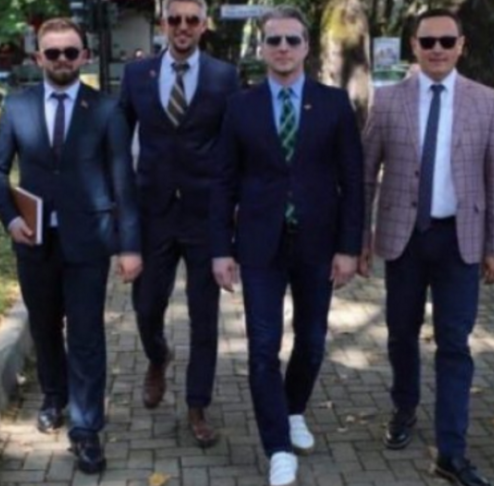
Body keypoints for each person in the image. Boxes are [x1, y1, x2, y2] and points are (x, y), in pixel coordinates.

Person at [210, 6, 363, 486]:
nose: (282, 48)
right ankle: (277, 446)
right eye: (273, 40)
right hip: (260, 246)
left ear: (306, 47)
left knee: (312, 342)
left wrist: (349, 247)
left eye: (292, 40)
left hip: (318, 243)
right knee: (262, 347)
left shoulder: (334, 104)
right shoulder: (240, 106)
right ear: (262, 48)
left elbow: (353, 182)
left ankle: (292, 408)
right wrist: (220, 249)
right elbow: (223, 183)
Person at [0, 17, 141, 474]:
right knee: (45, 326)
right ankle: (54, 395)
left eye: (71, 52)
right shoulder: (17, 106)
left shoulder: (106, 110)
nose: (62, 60)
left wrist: (130, 246)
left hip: (88, 242)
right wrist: (11, 218)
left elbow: (123, 180)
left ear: (84, 56)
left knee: (87, 335)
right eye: (53, 52)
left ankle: (86, 428)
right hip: (34, 241)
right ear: (39, 58)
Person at [360, 9, 494, 486]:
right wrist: (359, 239)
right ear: (415, 46)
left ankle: (451, 450)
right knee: (401, 333)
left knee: (454, 344)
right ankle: (404, 406)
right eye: (429, 42)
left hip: (460, 241)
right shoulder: (388, 100)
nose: (438, 49)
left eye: (447, 41)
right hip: (403, 238)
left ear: (462, 45)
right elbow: (365, 176)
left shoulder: (485, 101)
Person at [119, 0, 239, 447]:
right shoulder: (137, 74)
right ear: (163, 23)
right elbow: (118, 142)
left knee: (203, 317)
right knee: (147, 305)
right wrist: (121, 215)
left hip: (206, 215)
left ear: (204, 25)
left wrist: (236, 209)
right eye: (175, 19)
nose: (183, 26)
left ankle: (197, 404)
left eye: (192, 19)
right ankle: (158, 356)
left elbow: (235, 146)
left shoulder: (224, 77)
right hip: (153, 212)